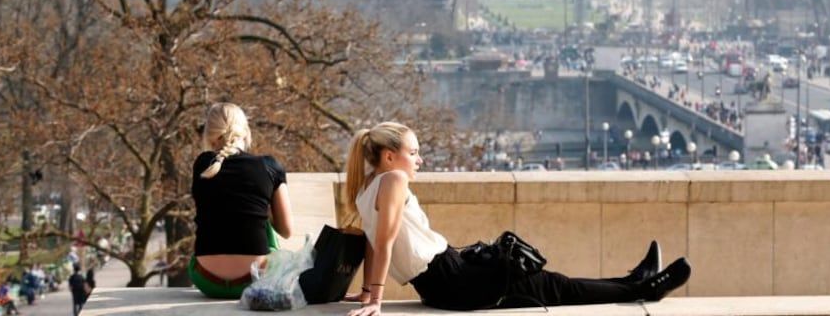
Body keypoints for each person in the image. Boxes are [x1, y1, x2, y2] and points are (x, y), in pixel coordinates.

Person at [343, 122, 691, 316]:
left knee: (551, 283)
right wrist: (374, 298)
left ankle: (633, 280)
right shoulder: (394, 180)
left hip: (446, 281)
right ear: (390, 157)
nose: (419, 160)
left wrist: (365, 291)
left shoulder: (367, 187)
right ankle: (645, 288)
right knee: (555, 286)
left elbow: (374, 243)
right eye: (413, 152)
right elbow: (385, 241)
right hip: (452, 280)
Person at [190, 102, 293, 299]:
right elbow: (287, 231)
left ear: (210, 135)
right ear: (245, 131)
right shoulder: (269, 166)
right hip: (255, 278)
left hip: (206, 279)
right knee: (263, 224)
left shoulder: (202, 164)